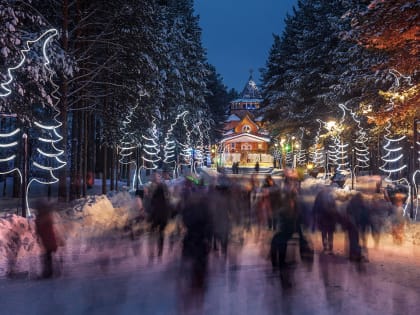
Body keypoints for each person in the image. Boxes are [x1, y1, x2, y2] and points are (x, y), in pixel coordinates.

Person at [34, 200, 64, 278]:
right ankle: (51, 272)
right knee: (48, 257)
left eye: (39, 208)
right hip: (46, 240)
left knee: (48, 257)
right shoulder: (43, 216)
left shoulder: (45, 217)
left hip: (49, 241)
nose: (37, 210)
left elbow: (41, 225)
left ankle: (49, 273)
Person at [312, 188, 338, 254]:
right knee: (329, 233)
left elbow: (316, 206)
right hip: (329, 218)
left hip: (323, 217)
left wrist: (315, 215)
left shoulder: (320, 196)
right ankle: (330, 247)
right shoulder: (330, 196)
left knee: (324, 233)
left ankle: (326, 247)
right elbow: (334, 207)